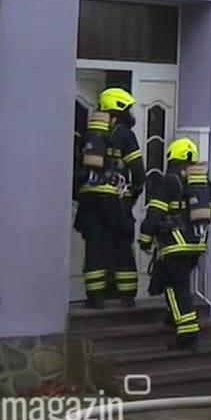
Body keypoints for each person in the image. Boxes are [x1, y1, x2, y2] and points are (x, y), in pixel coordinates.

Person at [139, 138, 211, 350]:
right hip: (196, 245)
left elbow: (154, 214)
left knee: (175, 287)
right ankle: (174, 318)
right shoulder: (203, 183)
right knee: (177, 281)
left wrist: (145, 239)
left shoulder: (168, 182)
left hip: (174, 245)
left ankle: (187, 334)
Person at [73, 87, 144, 308]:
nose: (131, 114)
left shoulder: (89, 133)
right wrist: (132, 194)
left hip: (88, 199)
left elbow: (77, 167)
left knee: (94, 246)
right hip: (113, 199)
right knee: (122, 243)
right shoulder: (125, 134)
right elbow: (139, 172)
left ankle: (95, 298)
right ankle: (127, 297)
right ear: (119, 107)